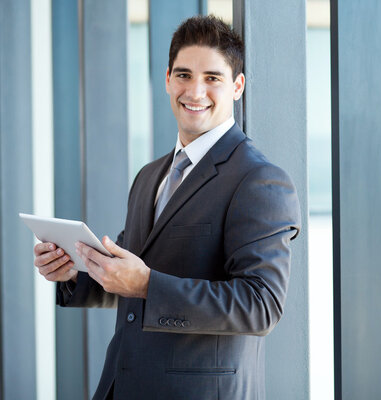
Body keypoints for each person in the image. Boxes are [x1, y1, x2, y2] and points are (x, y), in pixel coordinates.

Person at [33, 15, 300, 400]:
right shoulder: (150, 176)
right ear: (167, 80)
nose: (195, 91)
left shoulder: (258, 180)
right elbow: (129, 275)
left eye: (212, 78)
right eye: (184, 75)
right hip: (121, 386)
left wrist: (146, 284)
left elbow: (261, 305)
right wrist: (72, 273)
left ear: (237, 86)